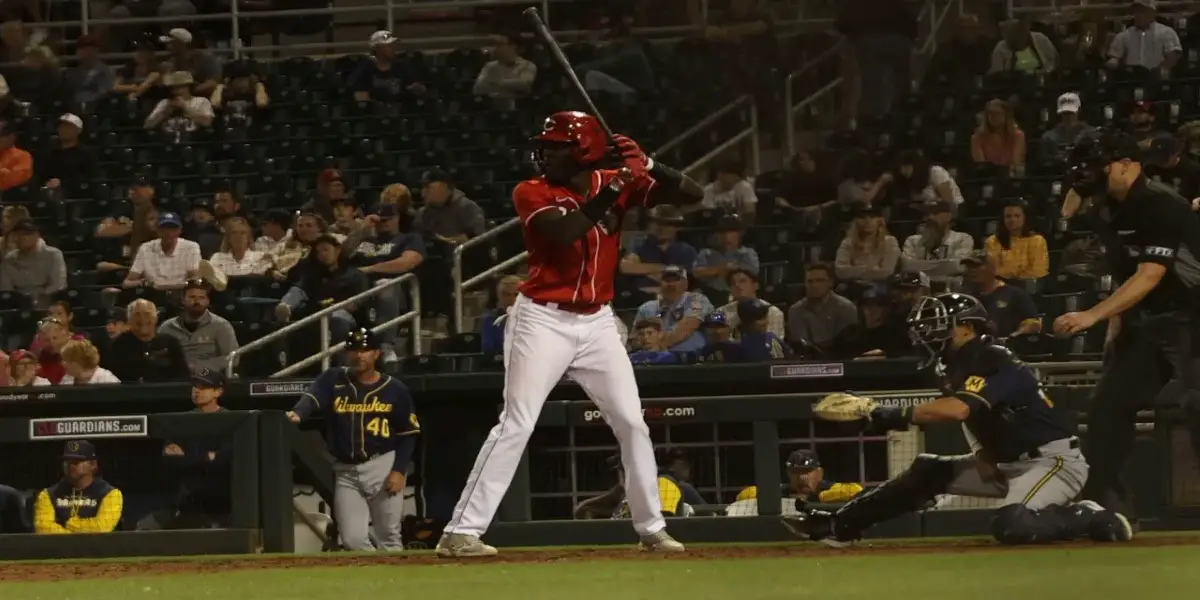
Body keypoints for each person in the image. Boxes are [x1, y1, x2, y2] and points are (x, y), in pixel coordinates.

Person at [439, 111, 701, 558]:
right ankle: (460, 531)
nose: (544, 152)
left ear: (582, 152)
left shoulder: (607, 180)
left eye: (556, 145)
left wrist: (652, 166)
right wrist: (620, 186)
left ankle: (651, 527)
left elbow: (694, 194)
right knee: (517, 422)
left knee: (632, 422)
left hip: (598, 321)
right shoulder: (532, 190)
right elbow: (565, 232)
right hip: (543, 319)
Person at [782, 294, 1133, 547]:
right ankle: (837, 526)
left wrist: (885, 413)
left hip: (1052, 460)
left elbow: (958, 410)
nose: (931, 334)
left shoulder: (992, 355)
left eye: (941, 326)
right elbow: (975, 418)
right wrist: (983, 452)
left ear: (967, 327)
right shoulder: (953, 365)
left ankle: (1086, 516)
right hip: (1006, 461)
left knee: (1012, 524)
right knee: (926, 470)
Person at [1054, 131, 1200, 526]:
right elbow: (1126, 274)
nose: (1088, 176)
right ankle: (1107, 512)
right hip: (1147, 321)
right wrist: (1116, 326)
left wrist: (1092, 316)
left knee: (1197, 405)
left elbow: (1152, 273)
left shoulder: (1161, 204)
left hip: (1193, 316)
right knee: (1106, 409)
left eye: (1095, 165)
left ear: (1125, 163)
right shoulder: (1106, 210)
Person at [287, 329, 419, 551]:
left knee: (389, 536)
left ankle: (395, 583)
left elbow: (408, 434)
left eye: (365, 350)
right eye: (354, 350)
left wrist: (399, 470)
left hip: (382, 465)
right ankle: (374, 578)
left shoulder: (395, 389)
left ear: (377, 353)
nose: (359, 355)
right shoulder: (334, 378)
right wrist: (298, 413)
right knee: (352, 540)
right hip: (346, 471)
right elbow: (312, 396)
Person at [140, 368, 233, 530]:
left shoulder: (231, 420)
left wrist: (187, 458)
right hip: (188, 500)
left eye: (203, 387)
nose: (196, 390)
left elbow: (223, 461)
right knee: (145, 527)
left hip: (223, 500)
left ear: (218, 392)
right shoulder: (183, 420)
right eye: (195, 386)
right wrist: (206, 458)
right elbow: (168, 461)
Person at [734, 449, 864, 516]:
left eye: (807, 472)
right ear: (789, 475)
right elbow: (744, 495)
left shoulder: (827, 489)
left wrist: (820, 497)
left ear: (819, 473)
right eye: (796, 472)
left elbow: (856, 490)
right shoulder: (779, 493)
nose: (801, 478)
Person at [33, 441, 124, 534]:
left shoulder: (110, 493)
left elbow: (102, 527)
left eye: (77, 462)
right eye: (67, 461)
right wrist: (73, 538)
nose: (70, 466)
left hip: (98, 547)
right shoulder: (48, 494)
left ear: (93, 464)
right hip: (60, 547)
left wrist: (68, 523)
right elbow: (43, 528)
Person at [158, 280, 239, 373]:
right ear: (183, 300)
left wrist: (201, 366)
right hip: (176, 378)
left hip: (211, 378)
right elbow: (159, 356)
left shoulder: (221, 325)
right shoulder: (167, 327)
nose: (197, 301)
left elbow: (233, 358)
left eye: (201, 297)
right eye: (192, 297)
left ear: (207, 301)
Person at [103, 299, 191, 382]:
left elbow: (183, 376)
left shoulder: (171, 342)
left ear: (156, 318)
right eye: (137, 314)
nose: (142, 318)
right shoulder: (117, 345)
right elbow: (113, 379)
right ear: (129, 320)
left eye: (147, 313)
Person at [619, 204, 697, 293]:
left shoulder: (686, 250)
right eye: (655, 223)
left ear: (678, 227)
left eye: (667, 224)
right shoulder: (639, 243)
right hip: (640, 295)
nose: (660, 228)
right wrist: (667, 268)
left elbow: (683, 280)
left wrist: (643, 268)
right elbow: (627, 267)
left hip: (673, 297)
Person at [634, 266, 713, 353]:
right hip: (653, 361)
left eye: (676, 280)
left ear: (685, 284)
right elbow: (634, 339)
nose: (671, 284)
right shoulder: (647, 308)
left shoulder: (697, 300)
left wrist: (658, 348)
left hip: (691, 359)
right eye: (667, 280)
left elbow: (686, 328)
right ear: (660, 284)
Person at [961, 253, 1042, 338]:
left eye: (977, 266)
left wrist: (1014, 336)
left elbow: (1033, 323)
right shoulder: (966, 298)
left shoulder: (1014, 294)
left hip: (1005, 346)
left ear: (992, 268)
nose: (972, 270)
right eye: (969, 267)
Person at [901, 201, 974, 289]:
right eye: (927, 214)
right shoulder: (912, 240)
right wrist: (944, 266)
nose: (930, 217)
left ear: (949, 216)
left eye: (936, 213)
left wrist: (920, 265)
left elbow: (958, 266)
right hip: (919, 290)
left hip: (951, 290)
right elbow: (908, 266)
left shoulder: (963, 238)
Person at [123, 212, 202, 291]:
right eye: (164, 229)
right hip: (153, 294)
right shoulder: (145, 248)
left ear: (180, 231)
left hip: (181, 293)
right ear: (157, 230)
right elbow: (126, 283)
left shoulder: (191, 247)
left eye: (173, 229)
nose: (169, 232)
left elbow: (195, 279)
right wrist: (144, 283)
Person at [787, 263, 857, 351]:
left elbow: (848, 345)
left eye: (820, 280)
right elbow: (798, 343)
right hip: (806, 361)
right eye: (810, 281)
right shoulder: (795, 311)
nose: (814, 285)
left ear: (830, 283)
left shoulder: (846, 308)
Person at [0, 219, 66, 307]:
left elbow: (58, 285)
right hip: (19, 305)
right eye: (18, 234)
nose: (21, 238)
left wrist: (39, 298)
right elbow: (6, 289)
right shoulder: (9, 259)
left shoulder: (53, 255)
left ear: (37, 235)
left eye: (26, 234)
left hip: (49, 303)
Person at [412, 168, 486, 246]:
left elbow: (477, 238)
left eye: (427, 187)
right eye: (422, 187)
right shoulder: (422, 213)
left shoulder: (468, 208)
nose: (423, 192)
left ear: (443, 186)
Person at [350, 30, 426, 102]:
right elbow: (360, 95)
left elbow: (417, 88)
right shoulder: (365, 69)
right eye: (388, 46)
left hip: (400, 112)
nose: (393, 49)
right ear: (377, 49)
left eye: (393, 45)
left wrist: (417, 90)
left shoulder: (403, 66)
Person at [692, 214, 759, 296]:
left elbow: (752, 273)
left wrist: (731, 269)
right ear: (716, 234)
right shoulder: (706, 253)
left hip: (737, 295)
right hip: (709, 295)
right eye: (722, 232)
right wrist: (720, 269)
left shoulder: (748, 253)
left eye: (731, 231)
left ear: (740, 234)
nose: (726, 236)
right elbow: (696, 273)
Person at [1106, 0, 1180, 72]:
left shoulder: (1166, 32)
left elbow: (1173, 55)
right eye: (1136, 11)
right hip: (1130, 77)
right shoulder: (1124, 35)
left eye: (1142, 11)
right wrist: (1113, 62)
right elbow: (1114, 56)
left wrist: (1163, 70)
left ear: (1153, 12)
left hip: (1156, 77)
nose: (1138, 15)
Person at [984, 200, 1049, 281]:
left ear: (1025, 218)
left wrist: (1012, 276)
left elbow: (1038, 271)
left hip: (1028, 286)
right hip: (1000, 286)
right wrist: (1017, 274)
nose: (1012, 219)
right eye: (1008, 216)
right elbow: (994, 271)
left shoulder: (1037, 240)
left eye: (1017, 216)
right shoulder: (992, 241)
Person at [834, 205, 900, 284]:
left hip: (881, 288)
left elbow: (887, 272)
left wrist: (854, 270)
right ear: (855, 221)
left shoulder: (890, 241)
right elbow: (840, 272)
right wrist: (871, 269)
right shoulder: (847, 243)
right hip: (853, 287)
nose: (868, 221)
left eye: (872, 217)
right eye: (862, 217)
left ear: (880, 220)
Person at [472, 33, 537, 101]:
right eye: (494, 44)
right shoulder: (489, 66)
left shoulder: (527, 65)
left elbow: (524, 84)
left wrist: (497, 83)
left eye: (499, 44)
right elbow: (477, 88)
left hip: (519, 107)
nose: (495, 48)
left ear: (512, 46)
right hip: (492, 106)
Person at [971, 98, 1026, 172]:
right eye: (990, 113)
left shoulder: (1018, 136)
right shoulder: (977, 137)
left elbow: (1015, 162)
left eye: (997, 113)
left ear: (1006, 115)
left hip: (1010, 176)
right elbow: (982, 166)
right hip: (987, 177)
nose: (993, 117)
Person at [1041, 92, 1097, 163]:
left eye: (1071, 112)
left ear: (1079, 110)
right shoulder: (1048, 137)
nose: (1068, 116)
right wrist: (1055, 158)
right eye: (1065, 113)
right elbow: (1043, 162)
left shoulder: (1092, 133)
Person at [989, 17, 1058, 75]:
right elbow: (996, 74)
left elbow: (1054, 60)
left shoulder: (1040, 39)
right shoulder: (1000, 49)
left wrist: (1047, 71)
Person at [480, 275, 520, 354]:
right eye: (507, 295)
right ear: (500, 296)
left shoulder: (530, 318)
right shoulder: (491, 319)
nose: (512, 298)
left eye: (516, 294)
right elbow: (488, 348)